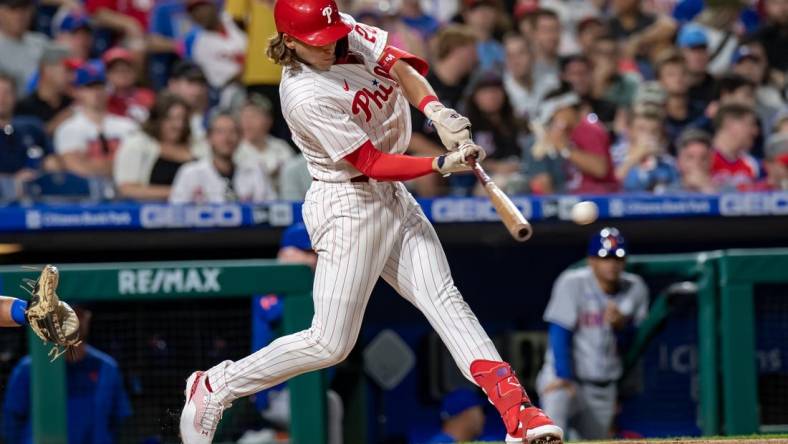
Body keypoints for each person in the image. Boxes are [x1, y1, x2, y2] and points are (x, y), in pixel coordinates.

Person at [178, 1, 563, 443]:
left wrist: (436, 110)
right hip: (348, 203)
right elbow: (370, 162)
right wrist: (440, 162)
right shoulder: (303, 94)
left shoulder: (342, 31)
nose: (329, 46)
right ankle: (215, 386)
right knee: (329, 343)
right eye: (316, 43)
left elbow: (399, 64)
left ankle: (518, 413)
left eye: (331, 35)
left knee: (445, 299)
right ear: (288, 42)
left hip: (391, 196)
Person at [536, 227, 649, 440]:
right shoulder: (572, 282)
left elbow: (630, 343)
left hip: (602, 386)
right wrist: (563, 376)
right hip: (564, 378)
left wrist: (621, 326)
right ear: (591, 260)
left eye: (618, 258)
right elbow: (559, 331)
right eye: (605, 258)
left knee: (594, 440)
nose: (612, 264)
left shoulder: (635, 288)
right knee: (550, 433)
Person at [249, 223, 343, 444]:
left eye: (317, 254)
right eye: (307, 253)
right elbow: (275, 314)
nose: (314, 260)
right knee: (314, 405)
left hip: (312, 384)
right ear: (286, 253)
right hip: (275, 391)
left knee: (331, 401)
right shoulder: (269, 283)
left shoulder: (324, 286)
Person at [3, 305, 132, 444]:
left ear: (88, 318)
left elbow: (120, 422)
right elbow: (11, 422)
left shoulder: (107, 368)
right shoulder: (28, 369)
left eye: (80, 314)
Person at [522, 86, 617, 195]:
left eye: (556, 112)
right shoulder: (568, 132)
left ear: (566, 108)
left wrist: (564, 148)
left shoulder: (589, 128)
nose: (554, 118)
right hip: (576, 195)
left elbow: (600, 169)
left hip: (601, 195)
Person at [169, 111, 274, 204]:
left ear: (240, 138)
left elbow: (272, 209)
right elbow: (176, 213)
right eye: (220, 132)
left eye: (232, 131)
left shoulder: (255, 171)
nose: (226, 138)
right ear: (209, 138)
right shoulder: (190, 173)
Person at [54, 61, 137, 179]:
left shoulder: (127, 125)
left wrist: (94, 164)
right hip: (87, 194)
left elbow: (137, 164)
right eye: (89, 88)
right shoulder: (68, 128)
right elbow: (76, 168)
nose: (96, 93)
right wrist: (118, 166)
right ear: (78, 92)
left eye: (100, 87)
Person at [114, 93, 196, 201]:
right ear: (157, 119)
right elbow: (127, 189)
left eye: (183, 119)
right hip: (149, 210)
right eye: (171, 119)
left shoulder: (197, 144)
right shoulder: (137, 144)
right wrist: (178, 192)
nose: (179, 125)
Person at [186, 0, 248, 102]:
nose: (199, 14)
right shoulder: (200, 47)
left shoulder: (234, 19)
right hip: (235, 93)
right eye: (193, 11)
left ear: (212, 6)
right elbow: (225, 80)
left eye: (202, 7)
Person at [0, 72, 56, 181]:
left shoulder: (32, 127)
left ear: (15, 96)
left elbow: (52, 161)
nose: (2, 98)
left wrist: (42, 171)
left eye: (7, 92)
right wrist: (12, 181)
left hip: (36, 192)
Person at [234, 94, 294, 191]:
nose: (247, 122)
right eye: (244, 116)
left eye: (253, 116)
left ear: (268, 121)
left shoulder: (281, 148)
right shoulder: (234, 150)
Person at [613, 105, 679, 193]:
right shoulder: (613, 156)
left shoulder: (668, 163)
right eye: (642, 129)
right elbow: (610, 186)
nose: (648, 135)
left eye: (654, 131)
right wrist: (634, 158)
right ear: (629, 131)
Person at [14, 43, 75, 134]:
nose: (72, 77)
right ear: (47, 70)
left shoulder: (72, 103)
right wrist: (54, 125)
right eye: (67, 70)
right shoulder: (24, 107)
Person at [502, 32, 556, 121]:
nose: (516, 61)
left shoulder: (551, 83)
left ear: (533, 56)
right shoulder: (501, 92)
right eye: (510, 56)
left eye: (521, 53)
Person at [0, 0, 48, 96]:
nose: (19, 16)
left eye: (24, 9)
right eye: (13, 9)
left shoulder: (42, 42)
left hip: (40, 106)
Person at [710, 103, 761, 191]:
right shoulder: (702, 159)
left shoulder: (753, 164)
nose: (755, 131)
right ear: (729, 123)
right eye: (750, 124)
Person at [103, 46, 155, 123]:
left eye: (126, 69)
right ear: (107, 75)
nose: (122, 74)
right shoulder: (103, 99)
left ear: (134, 72)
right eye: (116, 70)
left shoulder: (147, 96)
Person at [167, 60, 211, 147]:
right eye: (191, 82)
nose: (197, 90)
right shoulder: (160, 116)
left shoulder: (210, 119)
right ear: (173, 84)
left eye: (201, 84)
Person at [676, 23, 716, 105]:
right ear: (680, 53)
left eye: (703, 49)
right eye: (693, 50)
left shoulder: (717, 87)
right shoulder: (674, 87)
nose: (699, 56)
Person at [673, 128, 716, 193]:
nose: (697, 163)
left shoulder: (727, 191)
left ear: (711, 161)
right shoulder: (667, 194)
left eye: (703, 158)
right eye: (690, 157)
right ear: (679, 162)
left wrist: (707, 188)